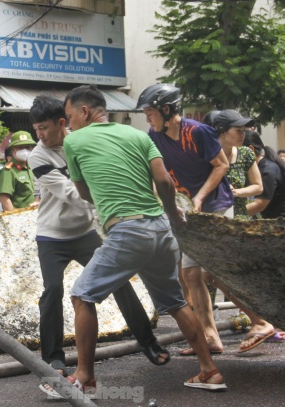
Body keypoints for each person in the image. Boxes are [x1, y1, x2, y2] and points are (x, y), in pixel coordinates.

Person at [44, 85, 226, 398]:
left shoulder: (74, 140)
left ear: (84, 112)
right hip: (160, 230)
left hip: (127, 231)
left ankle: (84, 378)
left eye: (69, 115)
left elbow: (84, 192)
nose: (68, 123)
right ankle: (209, 371)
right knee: (176, 302)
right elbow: (165, 181)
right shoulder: (139, 135)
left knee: (81, 295)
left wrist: (101, 196)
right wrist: (172, 215)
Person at [28, 95, 168, 385]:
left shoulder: (80, 142)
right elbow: (71, 193)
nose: (39, 135)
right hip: (51, 236)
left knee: (118, 283)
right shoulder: (37, 156)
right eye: (36, 129)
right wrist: (108, 203)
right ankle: (53, 358)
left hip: (85, 234)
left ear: (62, 123)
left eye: (44, 128)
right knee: (52, 290)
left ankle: (148, 342)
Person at [137, 85, 231, 355]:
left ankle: (256, 321)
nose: (148, 119)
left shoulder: (197, 131)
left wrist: (200, 197)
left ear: (167, 110)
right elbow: (157, 175)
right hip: (187, 208)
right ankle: (209, 334)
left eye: (150, 113)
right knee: (192, 274)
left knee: (202, 272)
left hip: (214, 204)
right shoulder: (154, 137)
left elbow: (221, 165)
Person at [207, 110, 273, 353]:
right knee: (204, 279)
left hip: (239, 221)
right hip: (212, 221)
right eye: (238, 130)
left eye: (244, 130)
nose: (243, 134)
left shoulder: (245, 154)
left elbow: (258, 186)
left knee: (230, 274)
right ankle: (210, 333)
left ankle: (258, 320)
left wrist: (237, 193)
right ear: (222, 132)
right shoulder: (207, 153)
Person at [243, 131, 285, 219]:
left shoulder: (268, 169)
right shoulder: (255, 168)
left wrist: (230, 215)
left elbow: (259, 204)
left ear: (250, 149)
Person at [0, 131, 39, 211]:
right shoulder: (8, 171)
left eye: (28, 147)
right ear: (12, 150)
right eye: (20, 147)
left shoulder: (31, 167)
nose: (25, 150)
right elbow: (4, 199)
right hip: (20, 218)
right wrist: (14, 219)